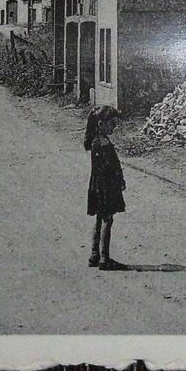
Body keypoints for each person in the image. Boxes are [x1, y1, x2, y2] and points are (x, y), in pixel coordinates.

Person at [84, 105, 126, 269]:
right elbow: (110, 168)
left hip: (97, 185)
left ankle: (94, 255)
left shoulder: (95, 141)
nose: (114, 128)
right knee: (107, 220)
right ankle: (104, 258)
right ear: (101, 124)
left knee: (99, 219)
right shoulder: (104, 144)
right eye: (112, 124)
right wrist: (119, 181)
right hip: (106, 187)